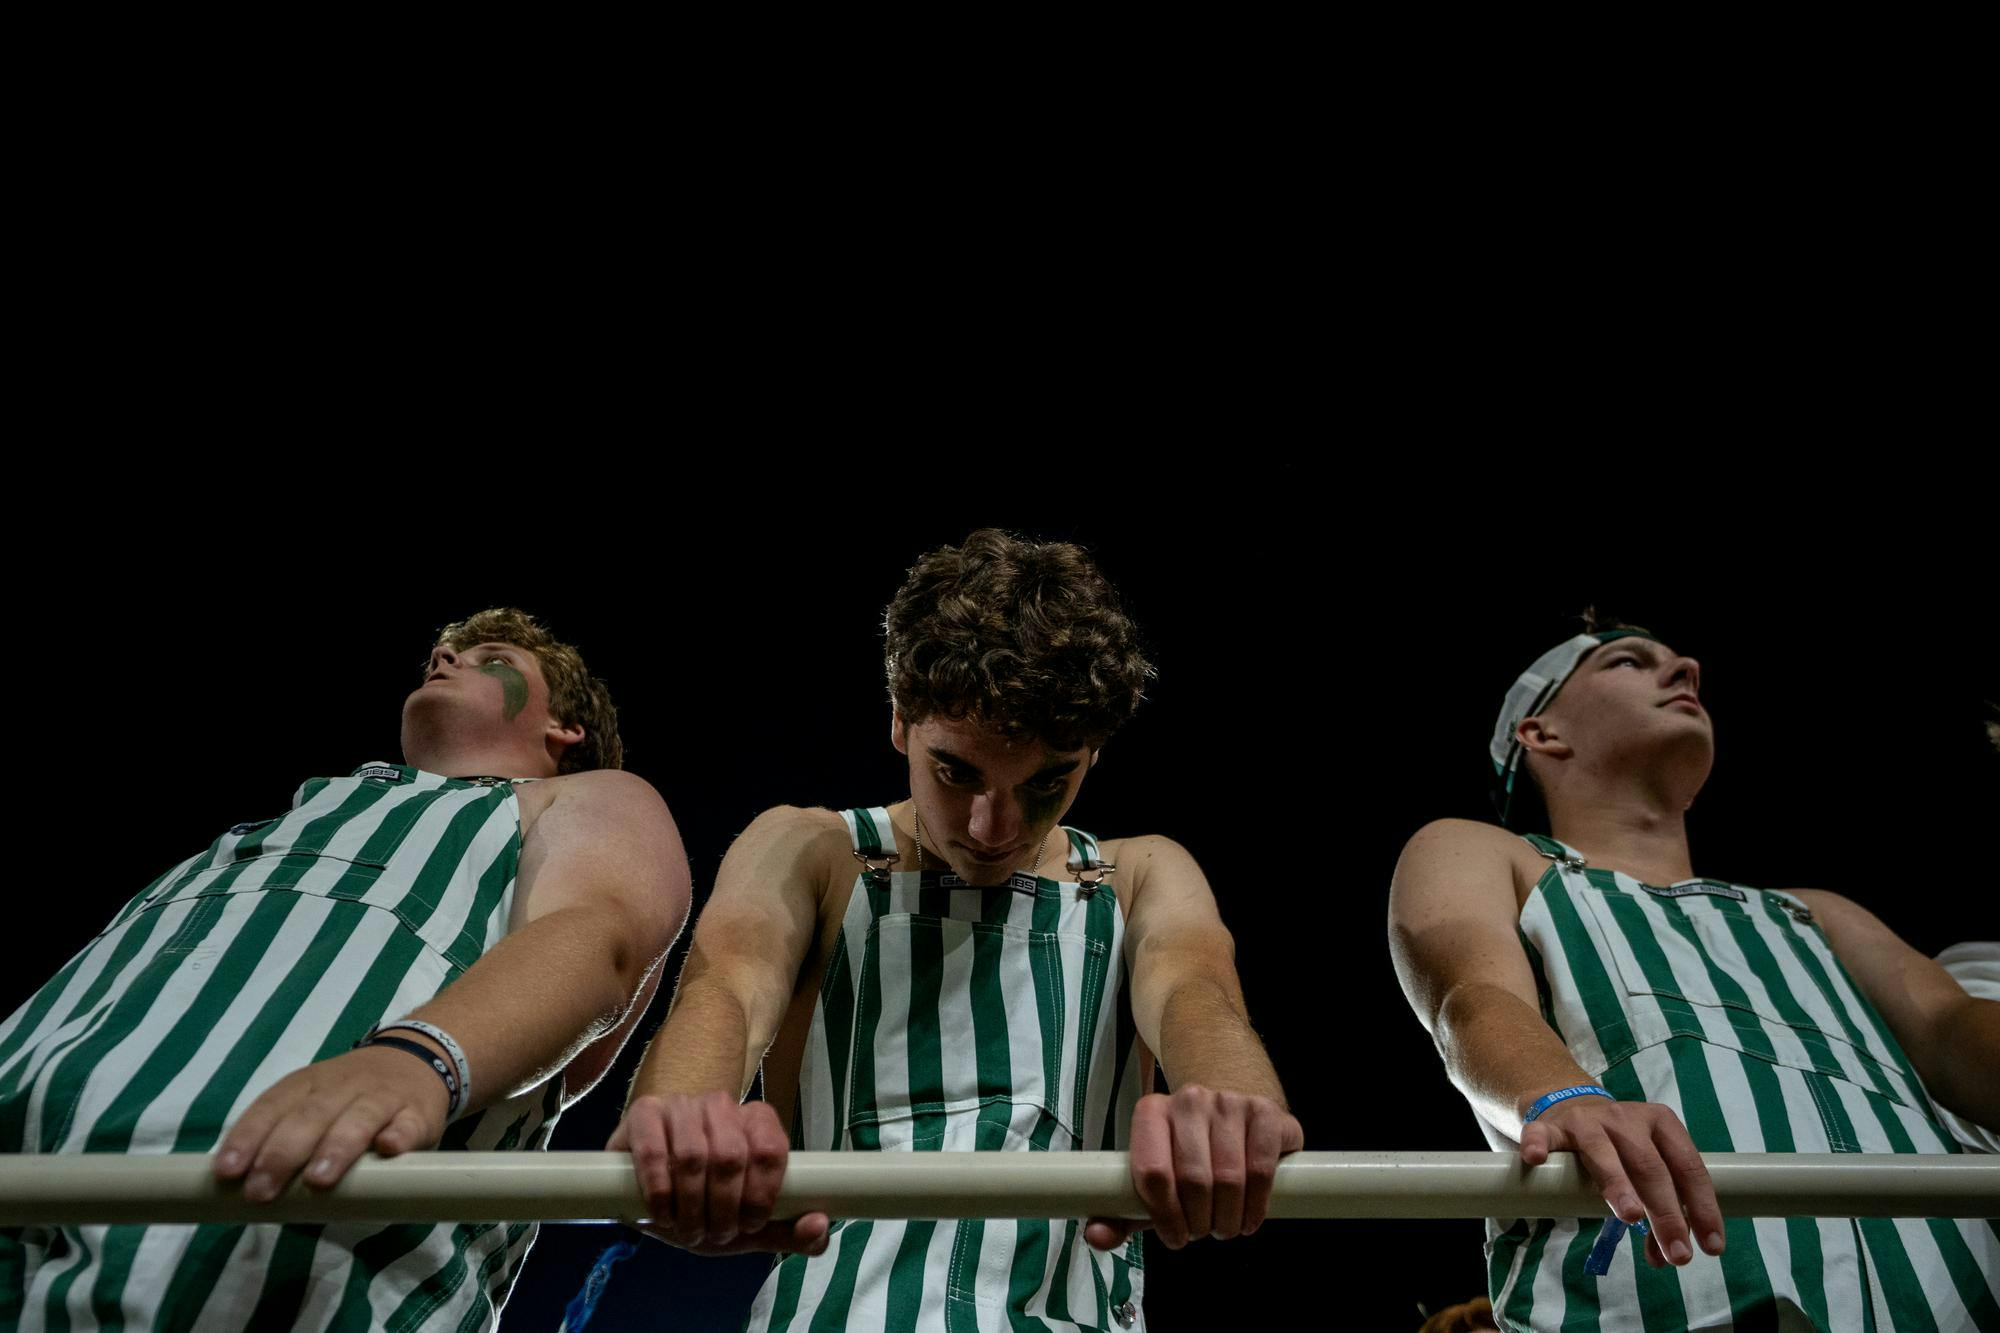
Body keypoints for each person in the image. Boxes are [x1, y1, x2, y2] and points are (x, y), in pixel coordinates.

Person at [612, 530, 1302, 1332]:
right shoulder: (815, 850)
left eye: (1047, 781)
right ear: (900, 719)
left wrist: (1234, 1109)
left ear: (1095, 751)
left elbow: (1195, 988)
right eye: (957, 771)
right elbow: (728, 982)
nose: (992, 825)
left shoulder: (1138, 873)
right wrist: (682, 1117)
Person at [0, 608, 690, 1332]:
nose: (444, 658)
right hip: (25, 1158)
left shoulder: (582, 798)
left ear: (566, 729)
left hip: (276, 1202)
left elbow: (596, 937)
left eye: (489, 658)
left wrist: (420, 1058)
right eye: (441, 652)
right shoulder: (284, 820)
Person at [1388, 618, 2000, 1330]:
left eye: (1679, 659)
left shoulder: (1813, 912)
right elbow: (1472, 996)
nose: (1686, 667)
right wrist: (1563, 1095)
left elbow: (1952, 1028)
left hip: (1952, 1301)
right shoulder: (1487, 853)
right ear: (1541, 732)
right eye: (1629, 660)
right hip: (1672, 1302)